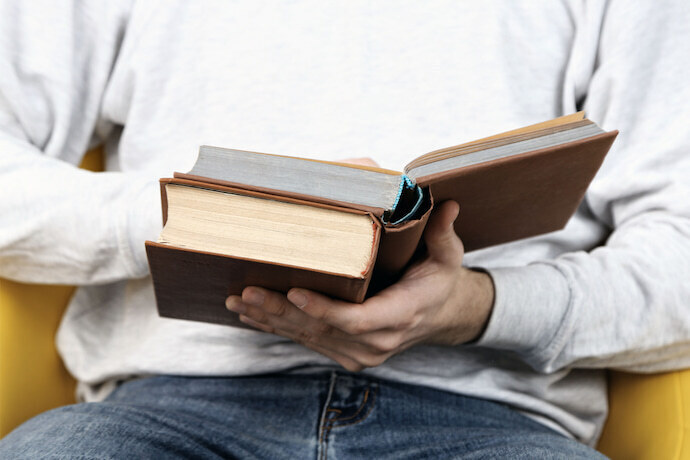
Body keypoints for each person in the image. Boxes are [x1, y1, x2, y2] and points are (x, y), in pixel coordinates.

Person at [1, 1, 689, 458]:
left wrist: (474, 308)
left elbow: (678, 251)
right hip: (157, 412)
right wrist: (207, 216)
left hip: (494, 422)